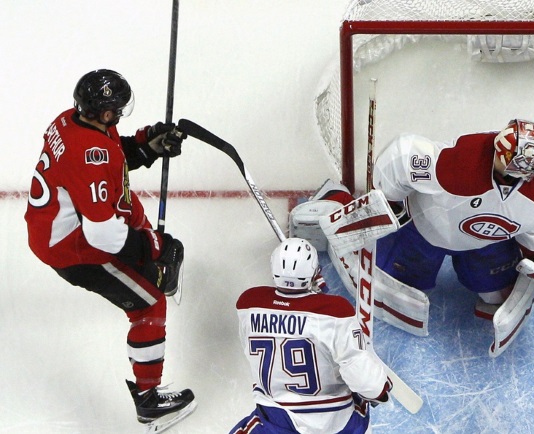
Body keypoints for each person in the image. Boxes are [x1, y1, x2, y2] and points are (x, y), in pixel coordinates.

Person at [24, 69, 196, 427]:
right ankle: (148, 400)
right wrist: (157, 246)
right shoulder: (89, 154)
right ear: (103, 112)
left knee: (130, 208)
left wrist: (147, 145)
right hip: (72, 246)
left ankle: (153, 270)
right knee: (150, 302)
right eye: (115, 109)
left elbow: (111, 158)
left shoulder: (71, 121)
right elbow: (103, 237)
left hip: (57, 222)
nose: (118, 115)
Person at [371, 118, 534, 322]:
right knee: (398, 291)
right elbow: (402, 157)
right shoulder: (457, 163)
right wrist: (386, 202)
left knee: (499, 295)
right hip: (422, 231)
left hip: (487, 244)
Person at [231, 238, 392, 434]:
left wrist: (308, 295)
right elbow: (365, 380)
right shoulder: (335, 311)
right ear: (314, 271)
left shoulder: (249, 303)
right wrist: (380, 389)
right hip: (336, 423)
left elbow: (289, 313)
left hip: (278, 420)